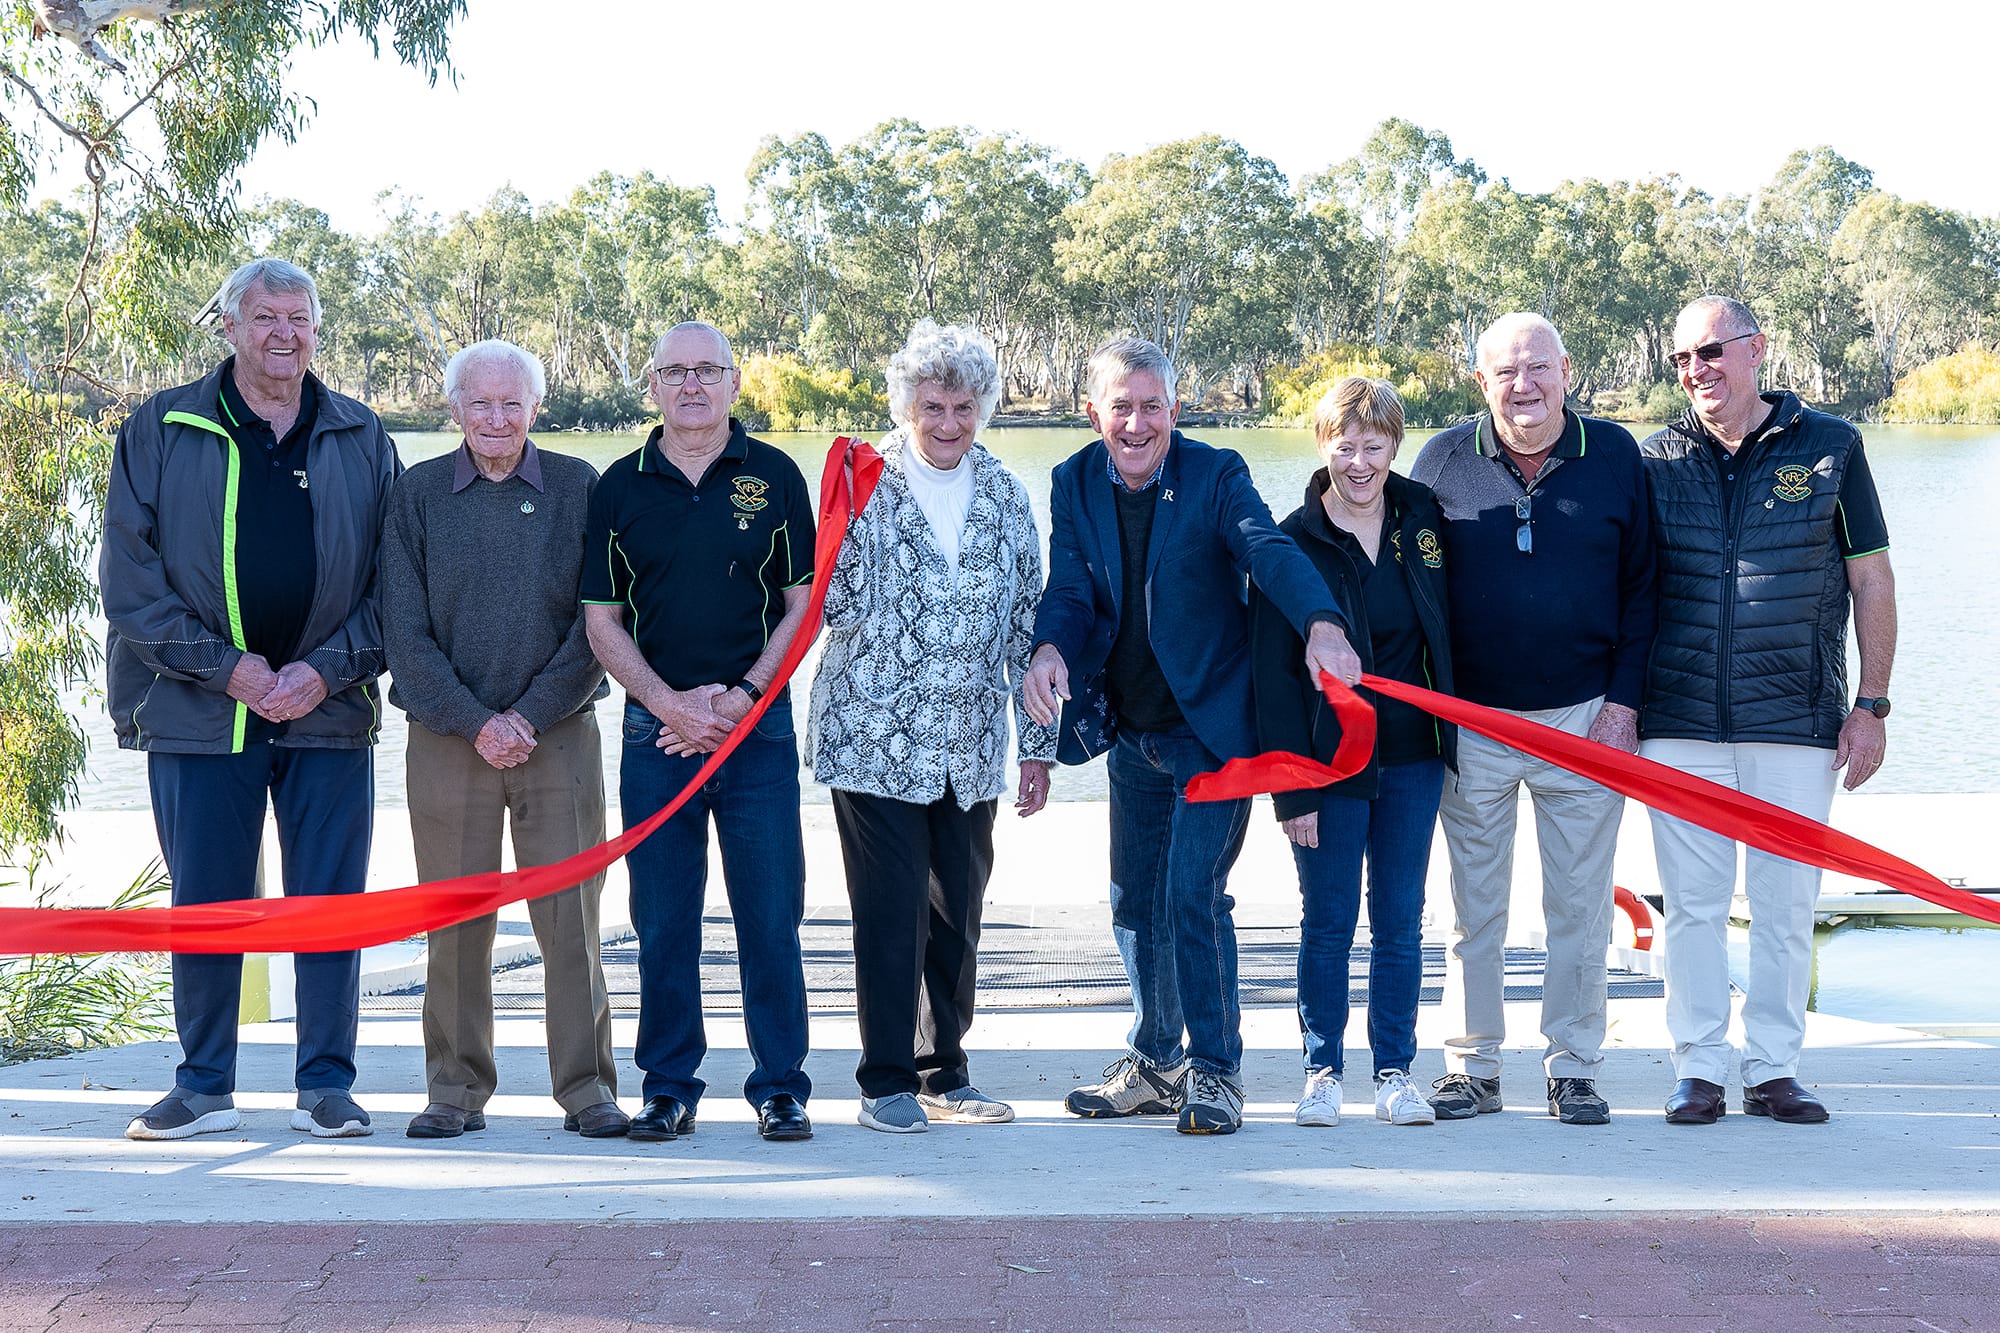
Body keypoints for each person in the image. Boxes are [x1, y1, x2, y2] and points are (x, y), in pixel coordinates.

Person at [1023, 336, 1363, 1136]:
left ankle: (1215, 1072)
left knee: (1191, 895)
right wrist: (1047, 647)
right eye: (1121, 408)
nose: (1137, 424)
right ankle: (1155, 1059)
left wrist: (1320, 621)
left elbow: (1267, 550)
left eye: (1152, 407)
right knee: (1133, 904)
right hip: (1131, 728)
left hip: (1215, 733)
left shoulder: (1217, 475)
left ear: (1175, 410)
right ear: (1093, 412)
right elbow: (1070, 591)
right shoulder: (1073, 481)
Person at [101, 257, 399, 1141]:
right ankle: (202, 1085)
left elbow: (398, 587)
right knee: (206, 903)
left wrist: (325, 671)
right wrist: (231, 669)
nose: (284, 333)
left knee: (329, 903)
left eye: (299, 317)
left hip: (329, 713)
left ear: (316, 328)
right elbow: (131, 583)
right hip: (196, 714)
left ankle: (327, 1085)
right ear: (228, 326)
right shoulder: (163, 426)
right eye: (265, 316)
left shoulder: (360, 432)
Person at [1639, 296, 1896, 1127]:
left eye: (1711, 351)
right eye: (1682, 358)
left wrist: (1872, 704)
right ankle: (1700, 1068)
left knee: (1786, 905)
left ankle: (1775, 1068)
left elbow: (1873, 580)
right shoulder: (1654, 460)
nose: (1696, 370)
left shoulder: (1832, 447)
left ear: (1757, 349)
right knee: (1694, 905)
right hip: (1678, 722)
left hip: (1796, 719)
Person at [807, 321, 1056, 1134]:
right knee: (890, 910)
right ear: (906, 404)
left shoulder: (1007, 496)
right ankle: (884, 1079)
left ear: (983, 407)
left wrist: (1039, 745)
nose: (947, 422)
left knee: (958, 912)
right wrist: (833, 514)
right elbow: (828, 604)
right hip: (873, 736)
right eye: (932, 405)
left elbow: (1026, 627)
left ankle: (944, 1072)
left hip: (970, 742)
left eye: (963, 406)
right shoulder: (864, 478)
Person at [1410, 312, 1655, 1126]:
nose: (1525, 385)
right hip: (1473, 724)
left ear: (1567, 370)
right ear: (1479, 381)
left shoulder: (1616, 454)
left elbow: (1644, 589)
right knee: (1473, 907)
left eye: (1539, 367)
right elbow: (1409, 590)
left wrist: (1623, 704)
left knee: (1579, 909)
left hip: (1585, 716)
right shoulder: (1441, 460)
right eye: (1506, 371)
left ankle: (1574, 1067)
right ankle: (1473, 1067)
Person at [381, 339, 623, 1140]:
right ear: (452, 408)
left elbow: (599, 627)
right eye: (479, 403)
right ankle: (453, 1088)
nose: (496, 418)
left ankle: (587, 1088)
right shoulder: (416, 494)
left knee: (572, 920)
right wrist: (476, 720)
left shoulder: (578, 488)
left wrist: (528, 715)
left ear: (535, 408)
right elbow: (403, 632)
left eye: (511, 403)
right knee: (454, 920)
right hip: (448, 739)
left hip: (559, 734)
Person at [582, 321, 816, 1145]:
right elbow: (601, 623)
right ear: (652, 385)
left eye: (707, 370)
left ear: (733, 381)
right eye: (675, 372)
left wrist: (742, 700)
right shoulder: (618, 487)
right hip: (657, 734)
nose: (692, 385)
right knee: (664, 918)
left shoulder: (777, 476)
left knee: (769, 912)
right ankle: (669, 1086)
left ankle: (781, 1085)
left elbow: (800, 608)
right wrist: (671, 705)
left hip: (757, 733)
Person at [1250, 378, 1455, 1129]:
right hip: (1326, 767)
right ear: (1321, 444)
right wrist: (1290, 791)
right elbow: (1272, 681)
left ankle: (1397, 1071)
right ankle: (1322, 1071)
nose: (1360, 462)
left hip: (1414, 759)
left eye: (1375, 445)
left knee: (1401, 919)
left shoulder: (1423, 517)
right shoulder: (1289, 539)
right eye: (1346, 445)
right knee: (1328, 920)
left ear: (1395, 445)